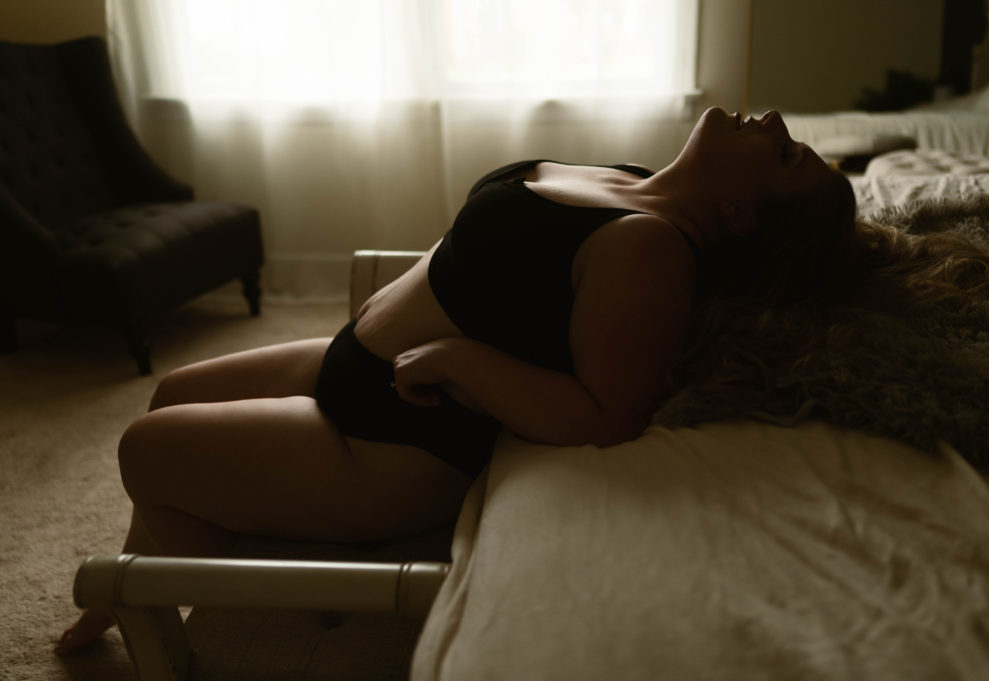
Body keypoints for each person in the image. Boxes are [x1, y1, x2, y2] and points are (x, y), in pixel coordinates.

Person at [55, 106, 857, 654]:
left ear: (740, 215)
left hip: (391, 440)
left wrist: (462, 360)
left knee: (147, 448)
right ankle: (139, 575)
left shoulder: (650, 249)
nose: (777, 124)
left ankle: (251, 627)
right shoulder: (632, 178)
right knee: (172, 394)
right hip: (358, 366)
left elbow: (607, 412)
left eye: (783, 156)